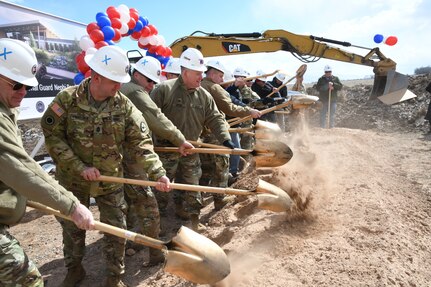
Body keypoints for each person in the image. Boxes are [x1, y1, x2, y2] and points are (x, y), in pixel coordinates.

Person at [41, 46, 170, 287]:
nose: (119, 87)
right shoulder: (66, 100)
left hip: (111, 179)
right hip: (72, 178)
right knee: (72, 228)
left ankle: (114, 278)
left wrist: (157, 172)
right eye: (114, 81)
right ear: (96, 76)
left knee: (115, 228)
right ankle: (75, 270)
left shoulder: (123, 105)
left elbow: (141, 143)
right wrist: (79, 166)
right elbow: (53, 137)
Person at [0, 38, 95, 286]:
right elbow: (18, 166)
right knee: (26, 279)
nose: (23, 92)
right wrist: (71, 205)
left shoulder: (7, 106)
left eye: (28, 88)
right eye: (17, 85)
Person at [150, 48, 232, 231]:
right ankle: (157, 226)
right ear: (185, 72)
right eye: (197, 73)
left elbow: (215, 118)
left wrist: (225, 139)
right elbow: (150, 117)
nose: (200, 77)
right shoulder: (164, 90)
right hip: (165, 151)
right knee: (161, 191)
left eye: (202, 73)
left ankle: (193, 224)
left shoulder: (204, 95)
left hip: (191, 149)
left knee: (193, 189)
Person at [120, 56, 193, 244]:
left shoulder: (125, 89)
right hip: (130, 154)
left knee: (125, 196)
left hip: (118, 153)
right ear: (136, 75)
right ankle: (147, 239)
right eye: (149, 80)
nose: (152, 85)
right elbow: (156, 117)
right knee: (143, 198)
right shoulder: (135, 91)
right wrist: (180, 139)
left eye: (154, 81)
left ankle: (127, 234)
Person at [200, 60, 261, 207]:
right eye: (221, 76)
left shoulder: (201, 85)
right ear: (213, 74)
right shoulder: (213, 87)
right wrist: (249, 111)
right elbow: (229, 106)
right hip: (215, 132)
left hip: (202, 132)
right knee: (221, 165)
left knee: (206, 167)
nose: (223, 79)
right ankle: (219, 200)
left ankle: (199, 197)